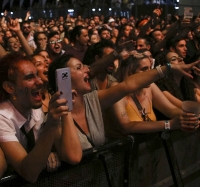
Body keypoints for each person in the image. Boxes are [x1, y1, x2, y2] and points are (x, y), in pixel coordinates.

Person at [48, 51, 200, 150]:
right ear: (64, 78)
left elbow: (129, 85)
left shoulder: (93, 99)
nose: (87, 69)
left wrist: (168, 68)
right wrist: (169, 124)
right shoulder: (54, 118)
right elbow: (74, 157)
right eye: (79, 67)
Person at [0, 53, 82, 182]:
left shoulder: (35, 109)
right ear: (10, 87)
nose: (39, 81)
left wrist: (66, 107)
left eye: (37, 75)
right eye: (29, 77)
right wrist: (51, 124)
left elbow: (74, 156)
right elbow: (28, 173)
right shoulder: (2, 118)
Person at [104, 52, 199, 138]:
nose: (149, 73)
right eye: (144, 69)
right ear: (130, 72)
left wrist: (188, 118)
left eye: (150, 68)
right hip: (121, 153)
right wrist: (169, 124)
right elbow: (126, 126)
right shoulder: (116, 88)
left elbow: (170, 110)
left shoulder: (150, 86)